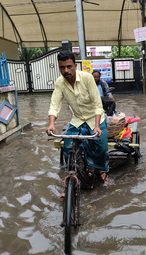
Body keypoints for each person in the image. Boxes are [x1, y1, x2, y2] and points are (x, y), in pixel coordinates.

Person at [46, 51, 109, 185]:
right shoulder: (60, 83)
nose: (66, 70)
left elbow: (98, 104)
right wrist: (51, 124)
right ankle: (70, 179)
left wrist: (97, 126)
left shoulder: (87, 78)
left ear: (75, 66)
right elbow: (54, 104)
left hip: (95, 118)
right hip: (78, 119)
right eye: (62, 67)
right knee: (68, 147)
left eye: (69, 66)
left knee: (101, 147)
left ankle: (101, 171)